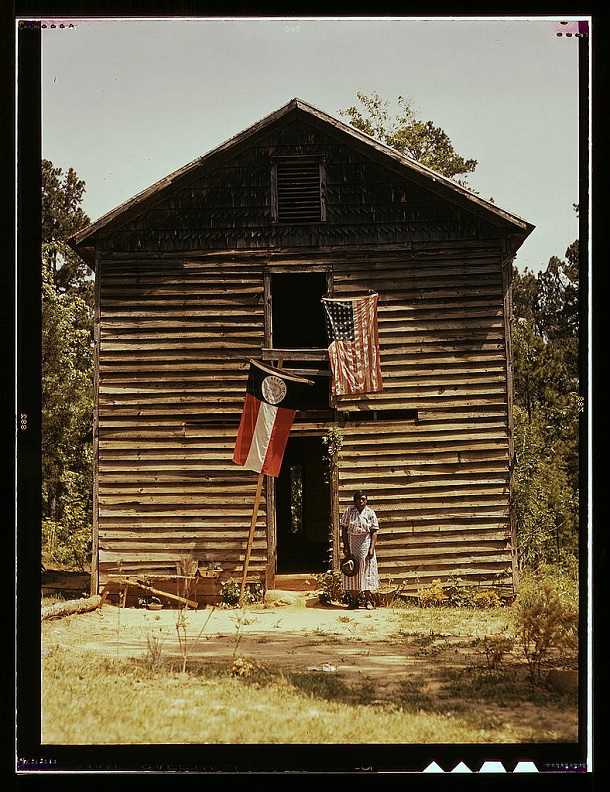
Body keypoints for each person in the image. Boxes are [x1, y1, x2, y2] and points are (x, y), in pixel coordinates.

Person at [341, 490, 379, 609]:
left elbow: (374, 532)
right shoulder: (349, 511)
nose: (361, 501)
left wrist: (371, 549)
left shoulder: (370, 513)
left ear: (366, 500)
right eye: (359, 499)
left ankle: (368, 601)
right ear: (355, 500)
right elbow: (344, 529)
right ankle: (354, 601)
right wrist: (346, 546)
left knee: (366, 571)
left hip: (365, 544)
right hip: (352, 543)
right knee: (353, 571)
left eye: (363, 499)